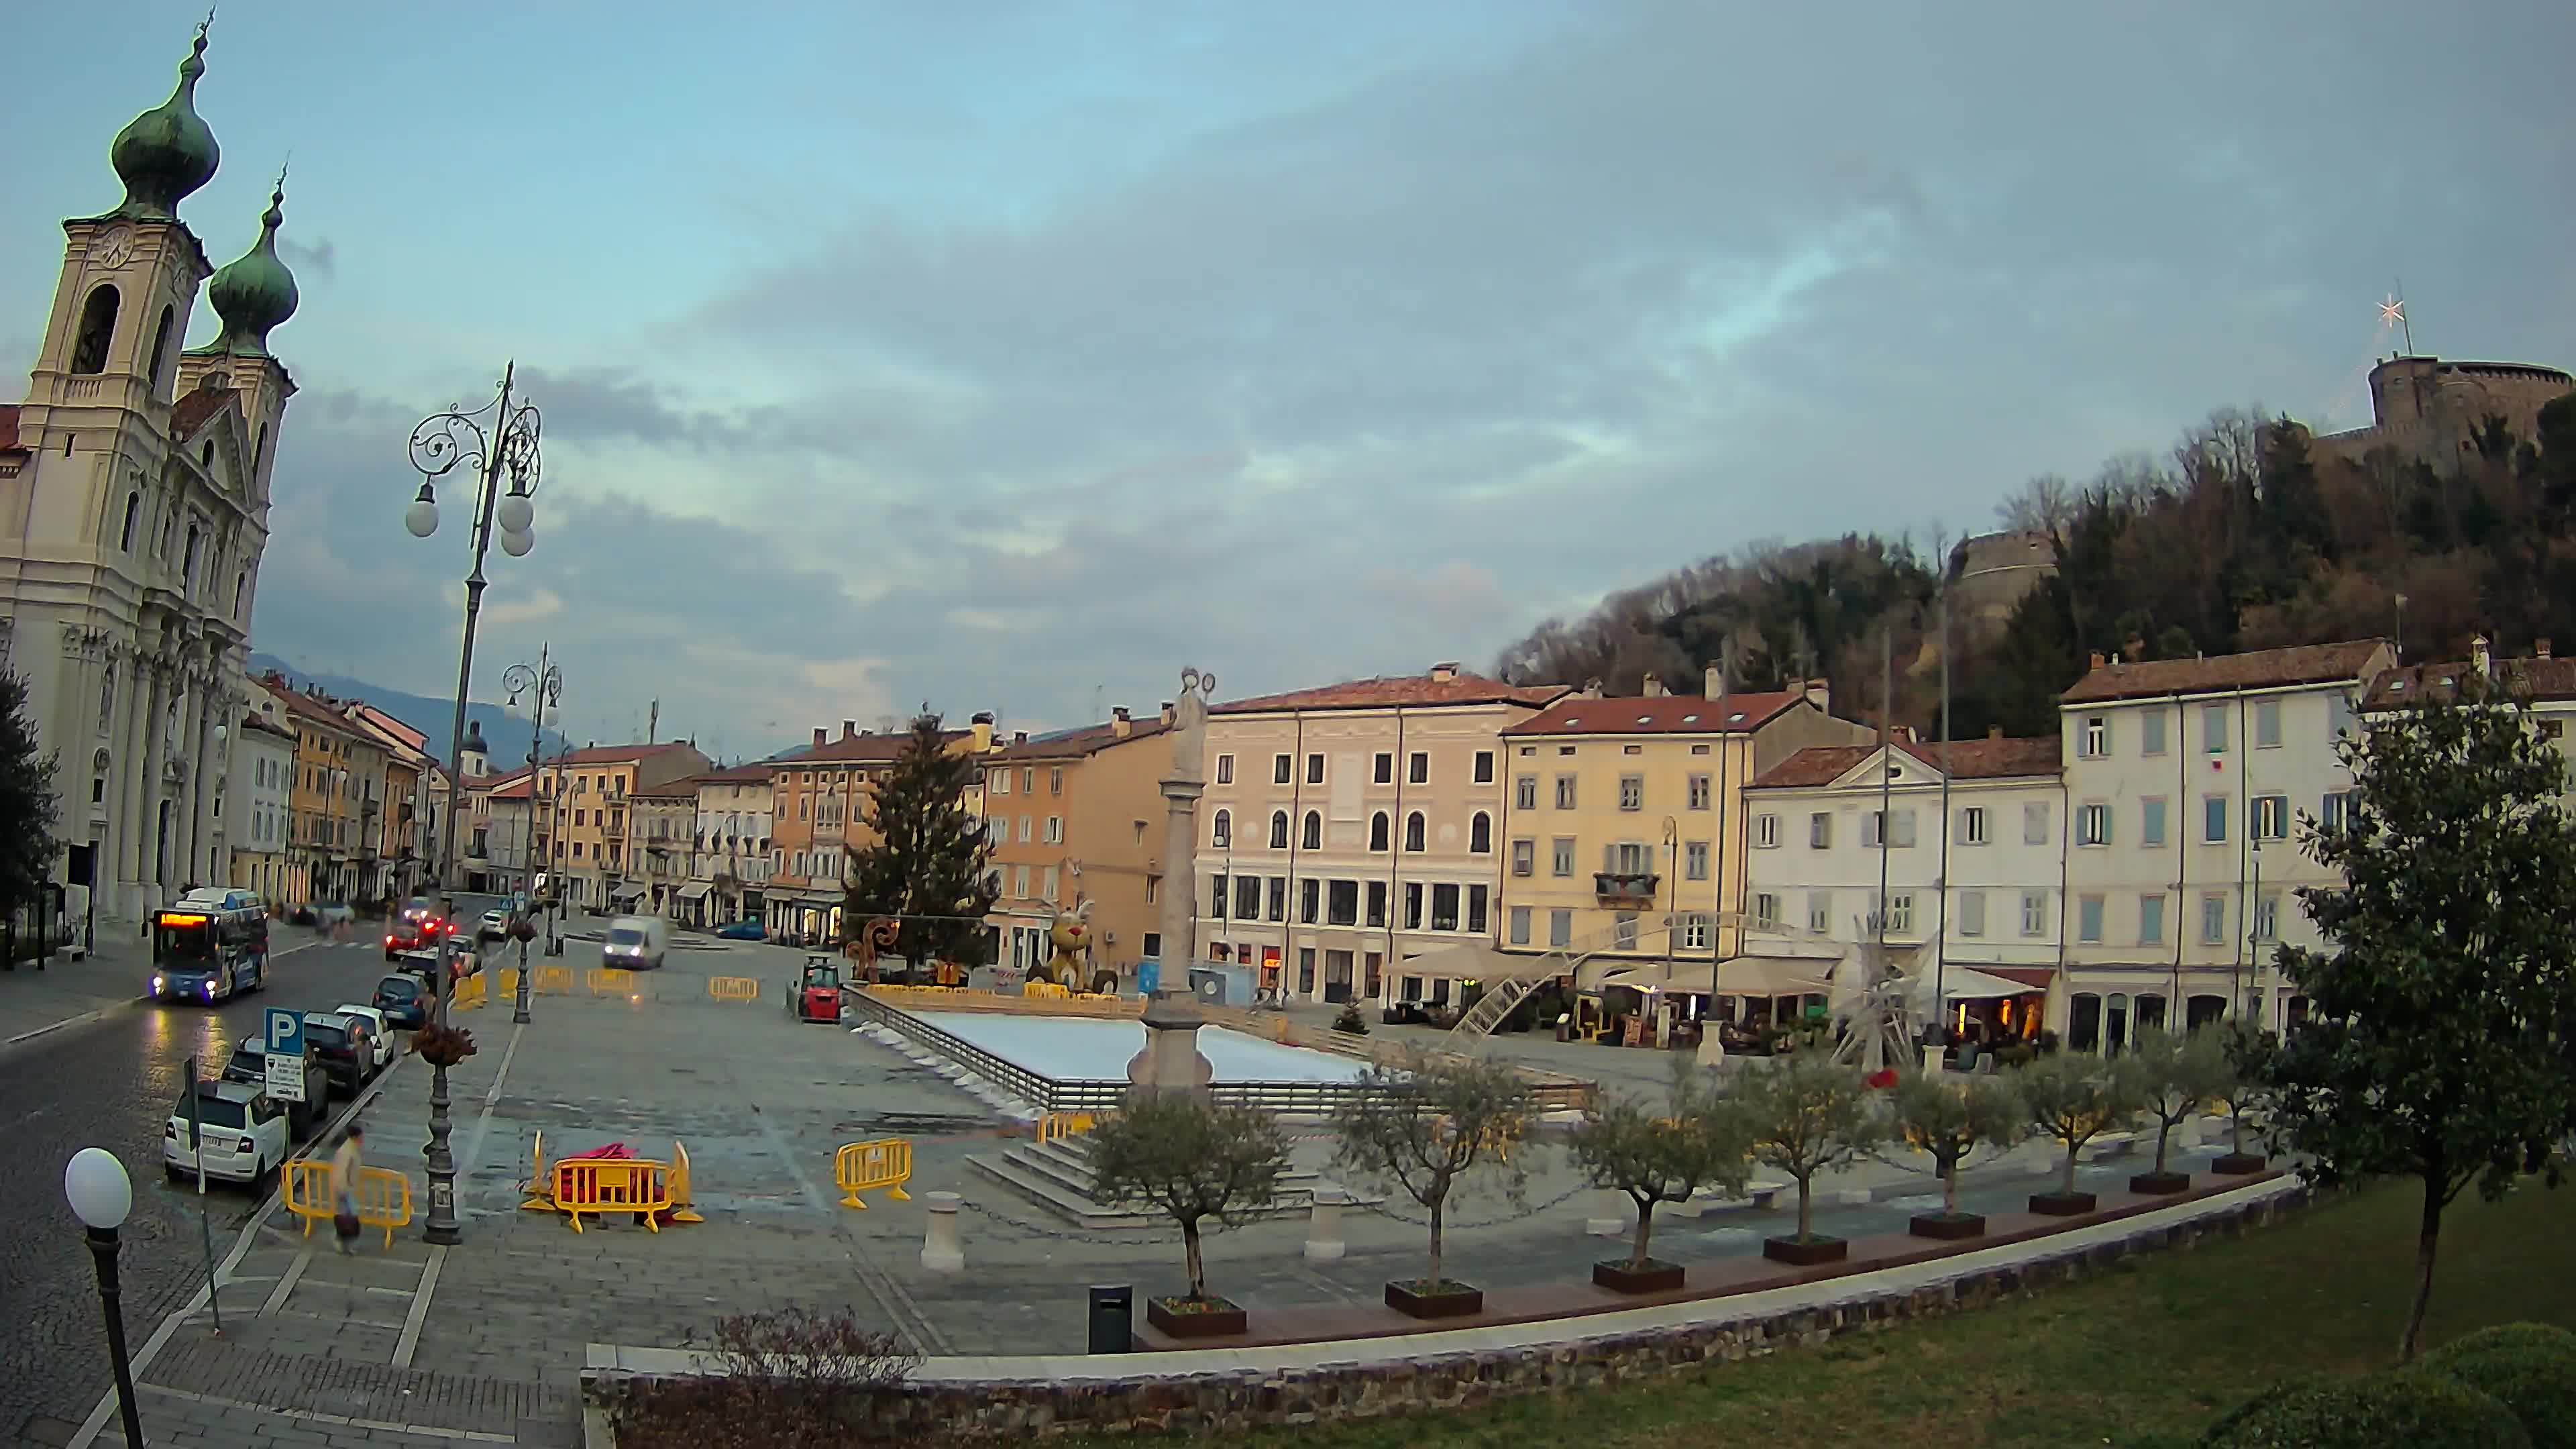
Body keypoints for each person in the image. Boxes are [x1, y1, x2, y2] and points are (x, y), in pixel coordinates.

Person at [329, 1124, 366, 1254]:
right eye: (362, 1137)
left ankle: (343, 1242)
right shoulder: (347, 1151)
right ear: (356, 1137)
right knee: (351, 1217)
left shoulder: (352, 1149)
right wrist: (343, 1189)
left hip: (347, 1188)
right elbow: (341, 1172)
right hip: (345, 1189)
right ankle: (344, 1242)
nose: (363, 1139)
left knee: (346, 1217)